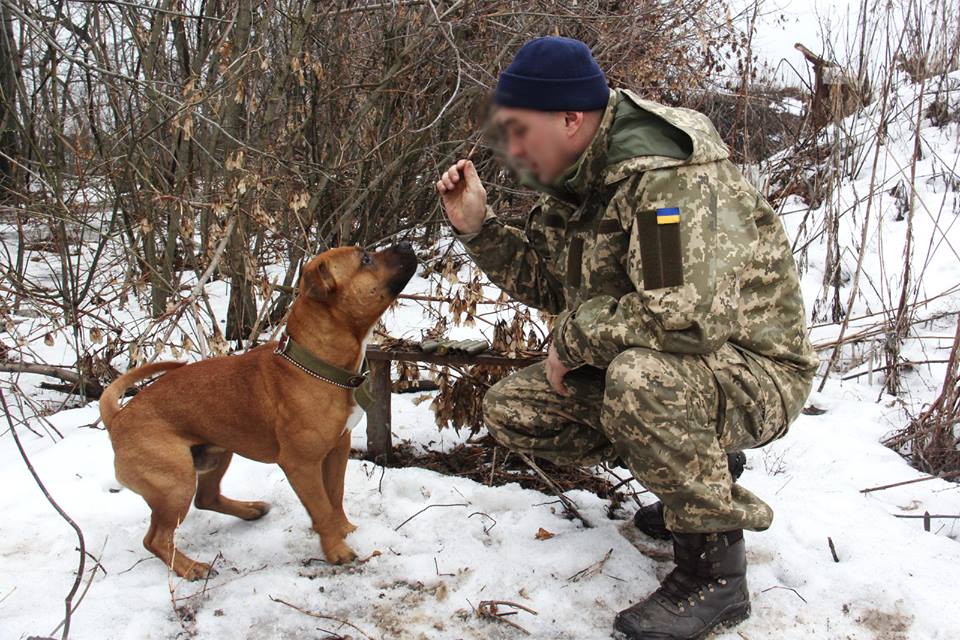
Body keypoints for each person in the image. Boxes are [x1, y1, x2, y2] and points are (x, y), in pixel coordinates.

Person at [436, 36, 817, 640]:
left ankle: (715, 575)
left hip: (754, 367)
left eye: (519, 131)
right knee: (517, 409)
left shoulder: (662, 181)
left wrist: (575, 338)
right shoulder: (579, 176)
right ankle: (695, 469)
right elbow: (554, 283)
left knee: (642, 379)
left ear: (570, 119)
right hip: (686, 363)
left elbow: (682, 320)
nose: (511, 149)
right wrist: (479, 230)